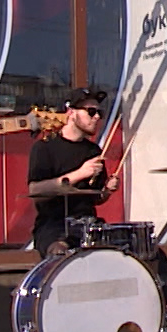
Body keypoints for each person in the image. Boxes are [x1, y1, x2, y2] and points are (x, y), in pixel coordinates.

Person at [26, 87, 119, 259]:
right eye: (91, 112)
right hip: (54, 226)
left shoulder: (93, 150)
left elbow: (95, 198)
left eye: (100, 112)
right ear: (71, 112)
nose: (97, 117)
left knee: (130, 245)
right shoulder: (45, 148)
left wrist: (107, 190)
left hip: (88, 225)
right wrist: (80, 173)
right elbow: (35, 191)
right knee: (60, 251)